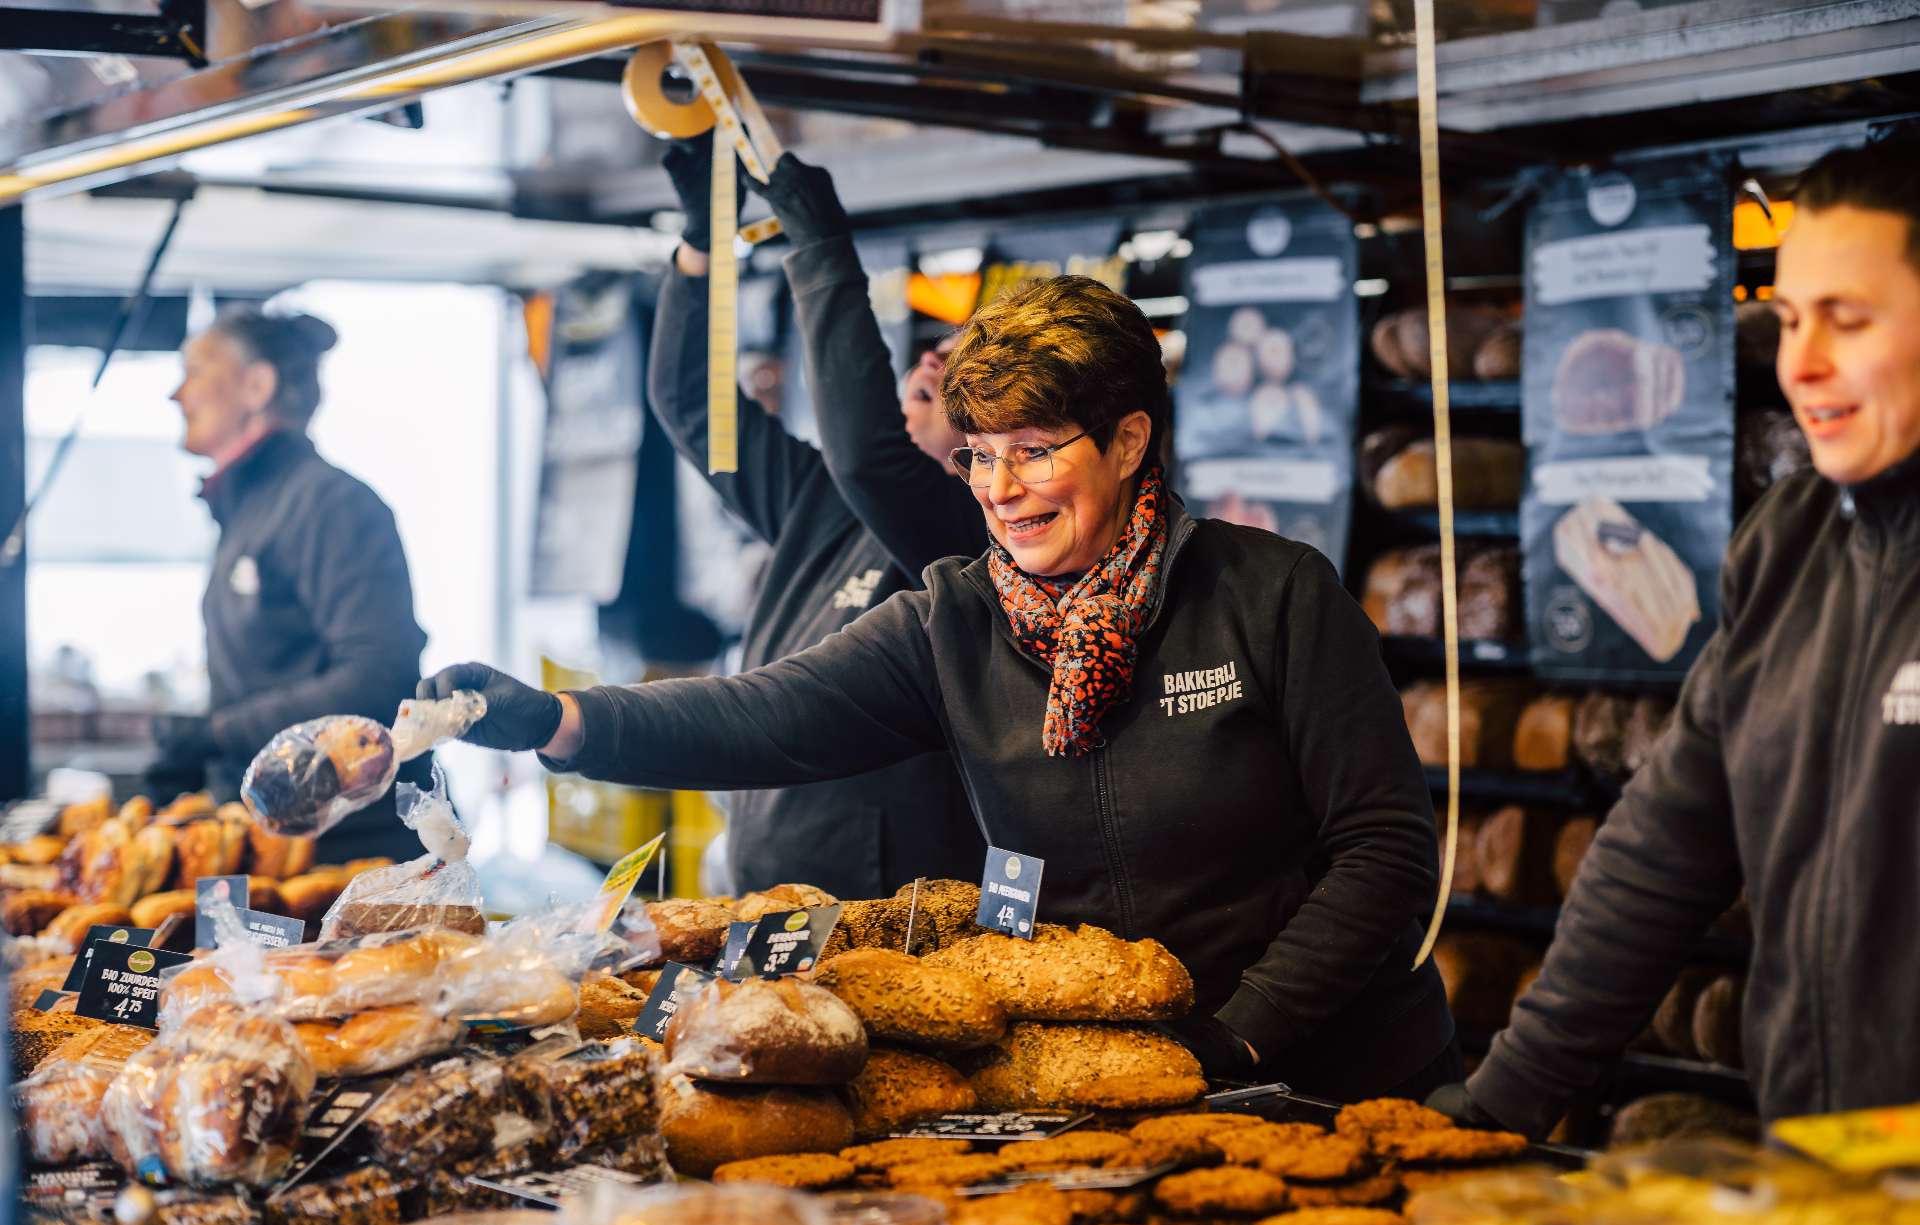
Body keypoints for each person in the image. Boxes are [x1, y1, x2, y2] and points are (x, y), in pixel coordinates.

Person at [424, 274, 1458, 1099]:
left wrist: (1237, 1035)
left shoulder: (1273, 594)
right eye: (980, 457)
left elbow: (1385, 851)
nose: (1000, 491)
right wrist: (557, 720)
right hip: (1116, 1081)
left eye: (1035, 452)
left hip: (1333, 1071)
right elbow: (764, 715)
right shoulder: (955, 617)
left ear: (1130, 440)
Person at [1429, 135, 1920, 1136]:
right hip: (1827, 1177)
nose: (1803, 364)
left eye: (1848, 319)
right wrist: (1499, 1103)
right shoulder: (1787, 547)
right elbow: (1666, 845)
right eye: (1786, 319)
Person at [644, 135, 986, 898]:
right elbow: (690, 403)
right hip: (763, 878)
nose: (932, 359)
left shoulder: (974, 538)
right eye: (935, 349)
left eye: (962, 365)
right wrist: (704, 246)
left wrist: (823, 249)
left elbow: (871, 452)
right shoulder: (821, 499)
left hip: (880, 910)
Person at [147, 307, 427, 863]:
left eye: (195, 371)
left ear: (257, 385)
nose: (176, 395)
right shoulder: (250, 509)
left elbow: (378, 676)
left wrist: (220, 732)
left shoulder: (332, 505)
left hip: (348, 853)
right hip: (273, 832)